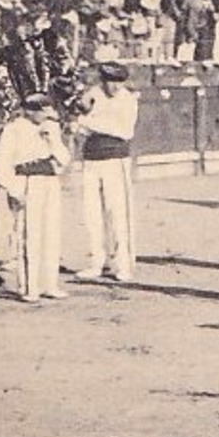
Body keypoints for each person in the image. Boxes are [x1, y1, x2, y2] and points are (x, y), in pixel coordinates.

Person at [0, 93, 73, 302]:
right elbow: (1, 167)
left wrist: (52, 140)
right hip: (26, 181)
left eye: (47, 110)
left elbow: (64, 159)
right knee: (29, 235)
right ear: (28, 110)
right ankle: (29, 288)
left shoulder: (51, 128)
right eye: (40, 110)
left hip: (49, 180)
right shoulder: (13, 129)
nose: (45, 115)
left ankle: (50, 285)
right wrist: (13, 190)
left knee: (51, 233)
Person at [71, 61, 139, 283]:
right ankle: (95, 262)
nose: (116, 86)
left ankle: (123, 264)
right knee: (92, 213)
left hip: (115, 160)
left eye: (120, 81)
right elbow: (79, 127)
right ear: (103, 80)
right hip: (91, 159)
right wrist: (81, 124)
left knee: (117, 213)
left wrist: (87, 122)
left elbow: (124, 131)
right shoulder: (92, 94)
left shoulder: (127, 98)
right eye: (111, 82)